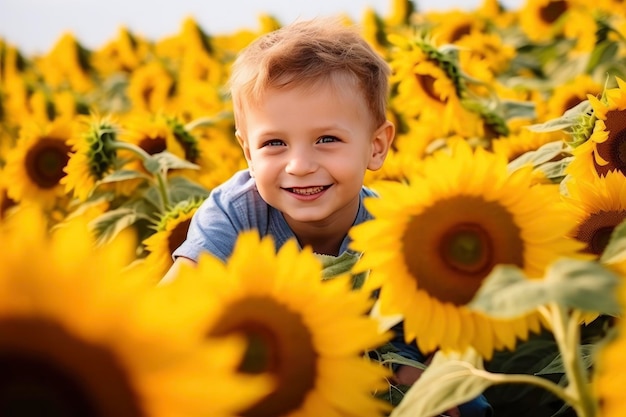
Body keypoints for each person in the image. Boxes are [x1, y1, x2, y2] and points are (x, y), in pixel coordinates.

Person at [161, 17, 491, 417]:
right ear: (248, 153)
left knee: (455, 398)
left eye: (327, 139)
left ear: (376, 146)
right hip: (263, 357)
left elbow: (426, 334)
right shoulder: (235, 211)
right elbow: (171, 302)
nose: (299, 165)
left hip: (378, 351)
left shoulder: (393, 228)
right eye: (275, 143)